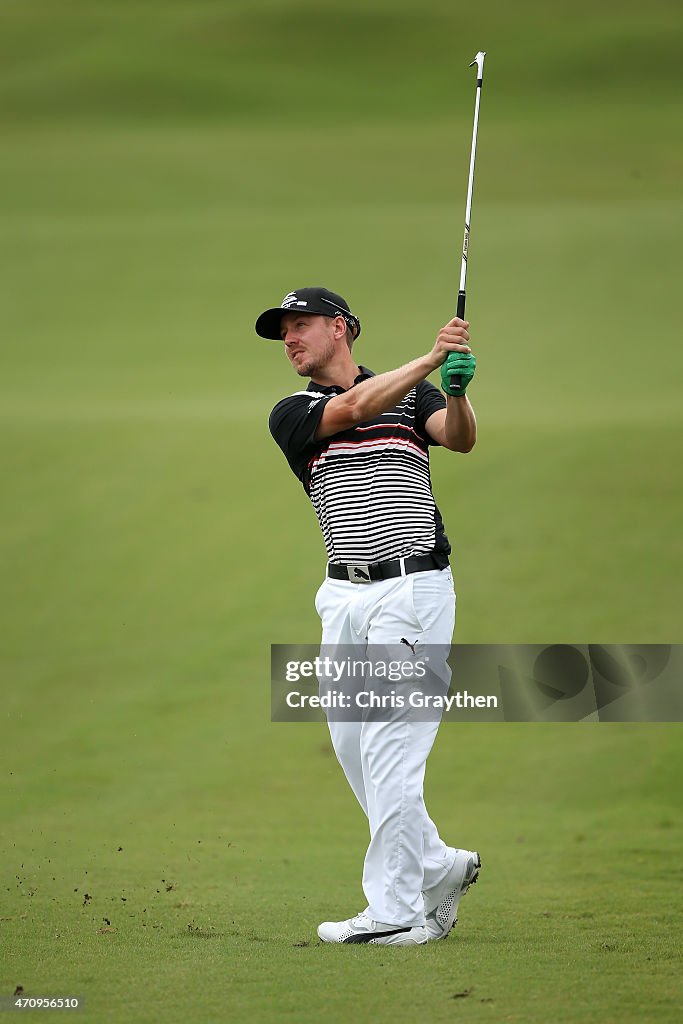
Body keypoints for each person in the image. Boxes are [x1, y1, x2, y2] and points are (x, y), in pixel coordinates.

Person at [257, 286, 481, 946]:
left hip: (410, 592)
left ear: (340, 328)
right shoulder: (292, 412)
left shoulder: (413, 396)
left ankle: (392, 910)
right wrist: (433, 356)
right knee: (356, 751)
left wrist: (458, 391)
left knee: (388, 748)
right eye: (284, 332)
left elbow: (456, 440)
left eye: (301, 326)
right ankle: (440, 868)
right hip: (343, 599)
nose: (290, 339)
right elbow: (355, 405)